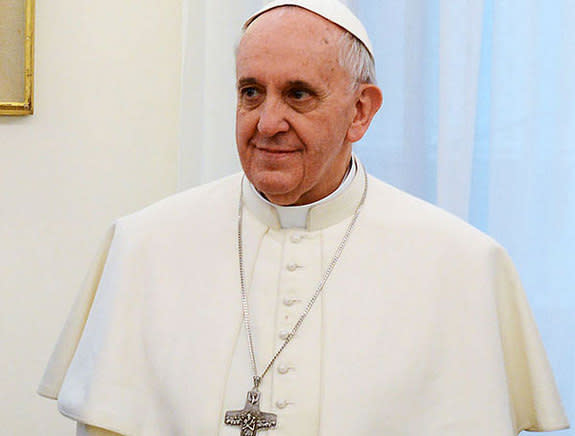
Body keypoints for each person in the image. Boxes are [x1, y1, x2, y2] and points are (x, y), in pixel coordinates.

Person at [39, 1, 569, 435]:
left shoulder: (462, 264)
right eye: (251, 92)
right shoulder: (144, 244)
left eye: (298, 94)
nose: (269, 122)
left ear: (361, 111)